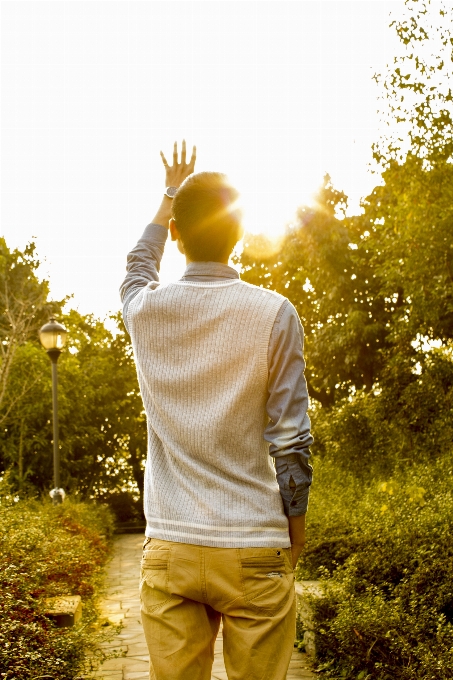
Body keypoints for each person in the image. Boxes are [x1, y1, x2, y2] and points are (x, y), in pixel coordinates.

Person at [120, 141, 313, 680]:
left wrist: (168, 197)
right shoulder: (275, 314)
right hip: (254, 544)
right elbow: (292, 437)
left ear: (177, 235)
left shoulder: (145, 310)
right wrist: (294, 530)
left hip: (171, 548)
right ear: (241, 233)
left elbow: (137, 264)